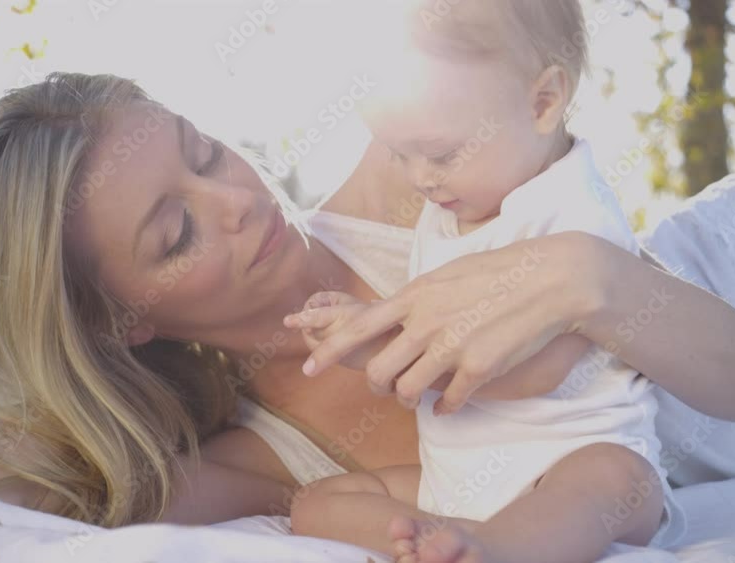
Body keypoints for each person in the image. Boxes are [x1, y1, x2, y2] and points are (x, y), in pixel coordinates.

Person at [0, 69, 735, 546]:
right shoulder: (261, 462)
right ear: (123, 320)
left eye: (205, 151)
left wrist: (590, 276)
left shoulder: (408, 174)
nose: (240, 200)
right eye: (176, 233)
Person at [282, 2, 683, 561]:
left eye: (441, 153)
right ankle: (441, 539)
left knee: (616, 480)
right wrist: (353, 318)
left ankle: (498, 547)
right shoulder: (451, 207)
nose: (419, 178)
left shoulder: (571, 207)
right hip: (457, 486)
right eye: (399, 154)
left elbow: (537, 372)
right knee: (314, 504)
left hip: (568, 462)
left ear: (543, 103)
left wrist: (382, 346)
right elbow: (428, 311)